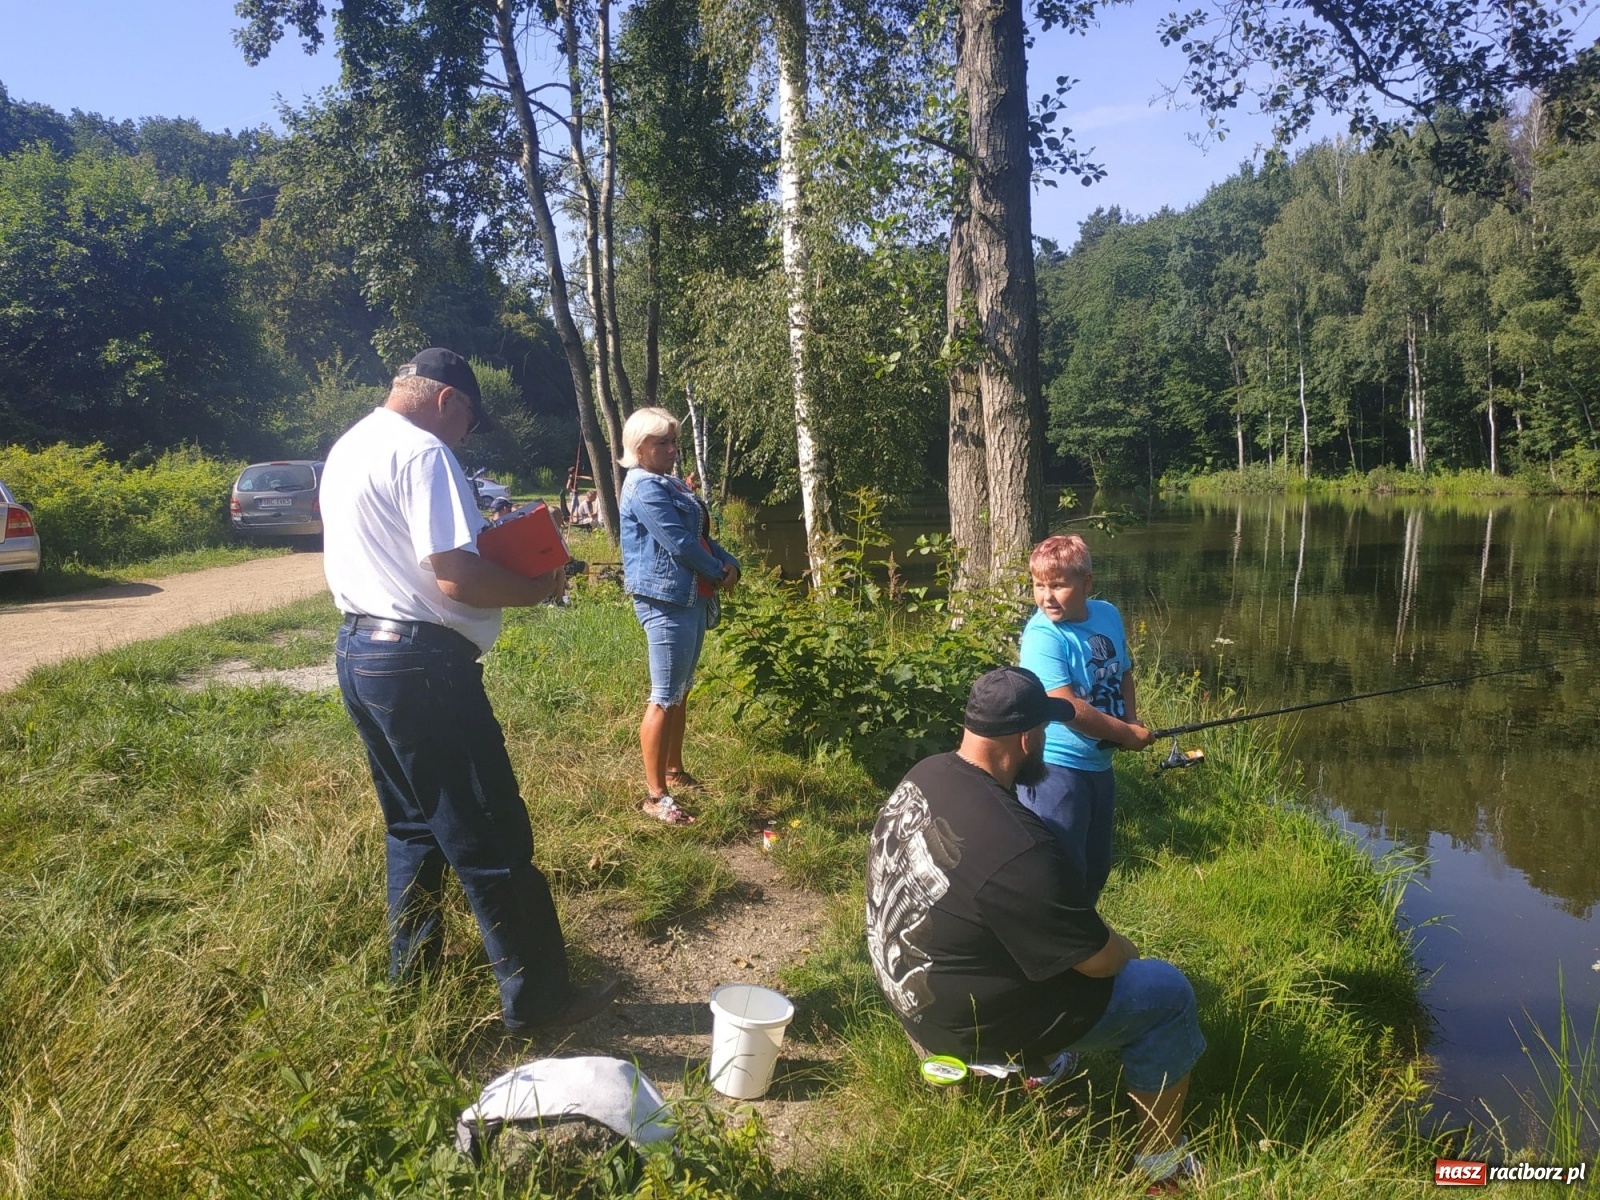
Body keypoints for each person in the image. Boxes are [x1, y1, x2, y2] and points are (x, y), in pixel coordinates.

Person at [321, 347, 621, 1032]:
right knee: (491, 838)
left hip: (360, 652)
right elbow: (456, 575)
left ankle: (412, 983)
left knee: (413, 829)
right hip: (423, 668)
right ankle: (543, 1006)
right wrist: (539, 588)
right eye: (468, 423)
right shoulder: (425, 453)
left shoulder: (350, 444)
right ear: (448, 401)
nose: (464, 438)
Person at [865, 667, 1204, 1191]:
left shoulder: (926, 773)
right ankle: (1163, 1165)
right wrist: (1128, 951)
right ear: (1027, 738)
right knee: (1164, 993)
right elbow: (1099, 959)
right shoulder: (1021, 846)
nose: (1045, 743)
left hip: (906, 989)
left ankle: (1031, 1060)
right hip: (956, 1024)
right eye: (1045, 732)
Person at [617, 406, 740, 824]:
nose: (671, 449)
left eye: (673, 442)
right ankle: (655, 797)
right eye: (661, 443)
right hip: (664, 601)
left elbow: (701, 536)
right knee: (665, 695)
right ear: (639, 447)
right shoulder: (644, 488)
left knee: (681, 690)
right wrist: (717, 571)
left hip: (689, 598)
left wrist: (730, 562)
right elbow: (680, 544)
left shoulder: (667, 482)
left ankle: (674, 770)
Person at [1018, 534, 1153, 903]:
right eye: (1039, 585)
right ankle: (1055, 946)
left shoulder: (1107, 613)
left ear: (1086, 583)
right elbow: (1066, 705)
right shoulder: (1042, 637)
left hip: (1099, 763)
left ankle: (1086, 942)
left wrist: (1132, 721)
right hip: (1055, 768)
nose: (1047, 597)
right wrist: (1126, 734)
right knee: (1057, 867)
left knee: (1096, 865)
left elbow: (1123, 671)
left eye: (1059, 586)